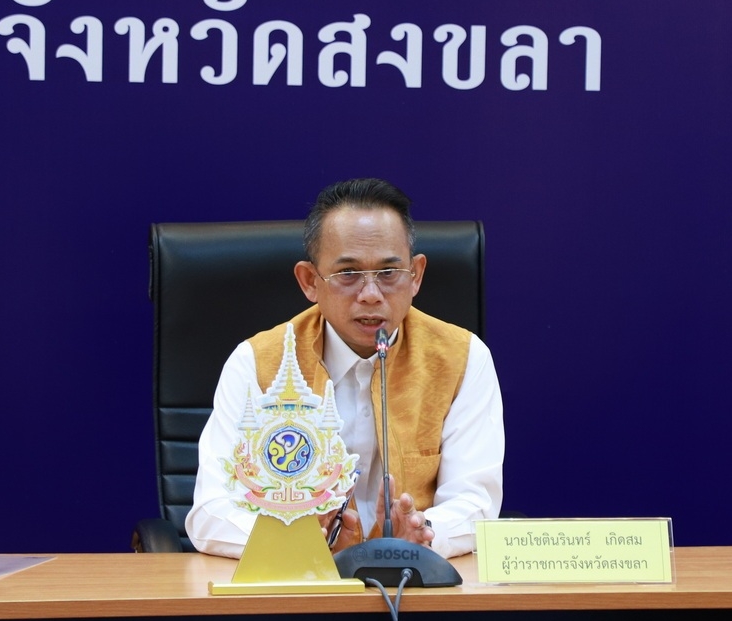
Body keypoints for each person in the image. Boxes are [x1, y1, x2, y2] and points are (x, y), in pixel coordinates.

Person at [185, 178, 504, 559]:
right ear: (309, 281)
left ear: (416, 276)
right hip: (299, 582)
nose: (370, 294)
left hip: (415, 580)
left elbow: (474, 501)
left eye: (389, 273)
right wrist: (302, 541)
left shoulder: (462, 358)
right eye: (348, 274)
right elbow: (211, 512)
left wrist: (424, 535)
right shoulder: (256, 363)